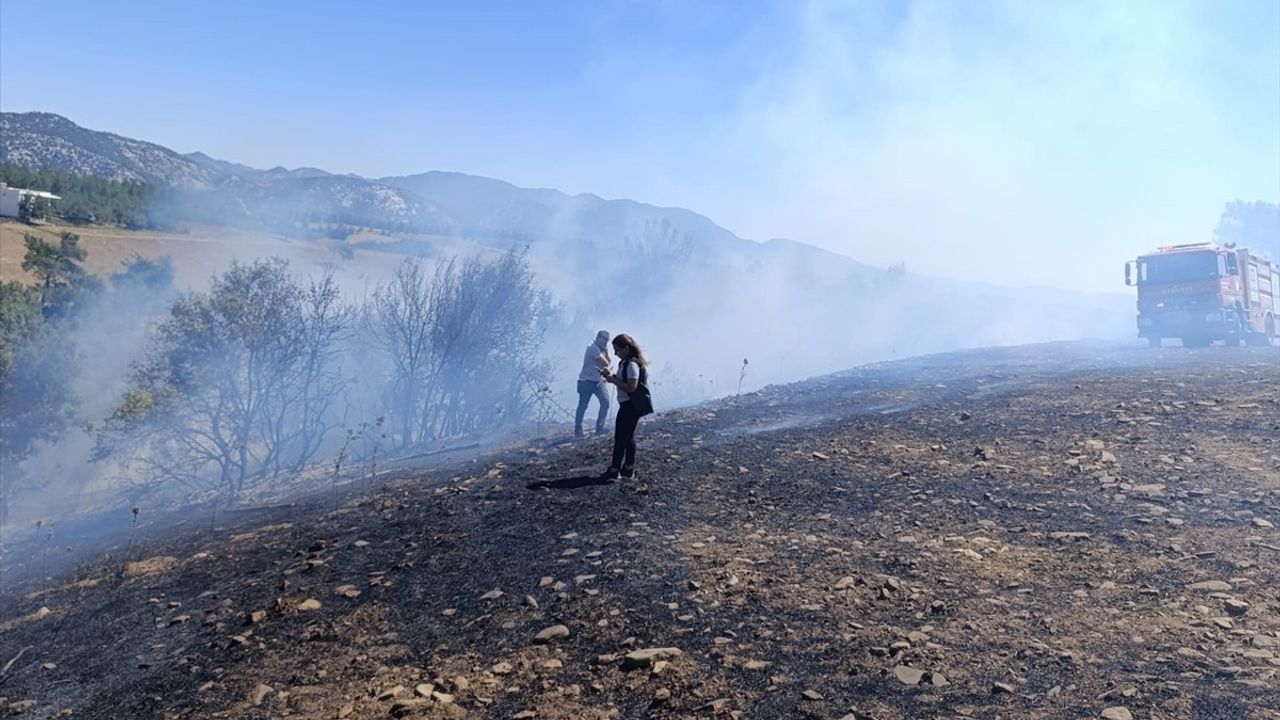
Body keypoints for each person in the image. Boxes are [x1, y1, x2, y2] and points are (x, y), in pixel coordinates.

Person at [600, 333, 649, 479]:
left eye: (617, 350)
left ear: (626, 348)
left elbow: (631, 387)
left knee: (621, 438)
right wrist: (612, 377)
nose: (615, 353)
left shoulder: (631, 364)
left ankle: (615, 470)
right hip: (628, 405)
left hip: (630, 406)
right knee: (627, 438)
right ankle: (627, 468)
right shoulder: (626, 363)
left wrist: (613, 381)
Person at [574, 330, 612, 437]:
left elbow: (608, 361)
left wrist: (606, 351)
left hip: (598, 381)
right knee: (583, 405)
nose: (605, 342)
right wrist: (605, 351)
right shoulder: (592, 348)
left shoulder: (601, 349)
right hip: (586, 381)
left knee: (605, 402)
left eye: (606, 340)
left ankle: (600, 427)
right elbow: (605, 362)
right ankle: (578, 429)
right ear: (598, 337)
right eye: (603, 339)